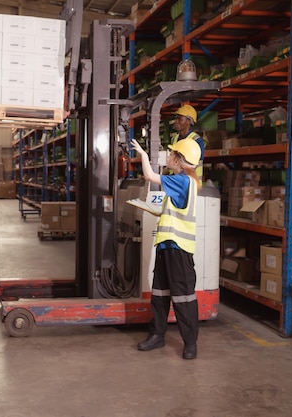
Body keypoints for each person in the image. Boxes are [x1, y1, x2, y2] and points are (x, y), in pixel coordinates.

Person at [130, 137, 202, 360]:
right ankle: (157, 335)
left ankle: (190, 343)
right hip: (166, 245)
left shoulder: (183, 181)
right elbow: (171, 211)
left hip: (179, 249)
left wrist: (142, 154)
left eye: (172, 154)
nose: (168, 156)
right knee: (159, 294)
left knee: (183, 297)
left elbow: (150, 176)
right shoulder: (183, 181)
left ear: (179, 160)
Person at [171, 104, 206, 179]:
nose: (176, 121)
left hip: (192, 184)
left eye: (180, 119)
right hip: (177, 183)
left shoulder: (196, 140)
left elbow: (195, 165)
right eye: (176, 118)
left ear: (188, 121)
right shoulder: (174, 139)